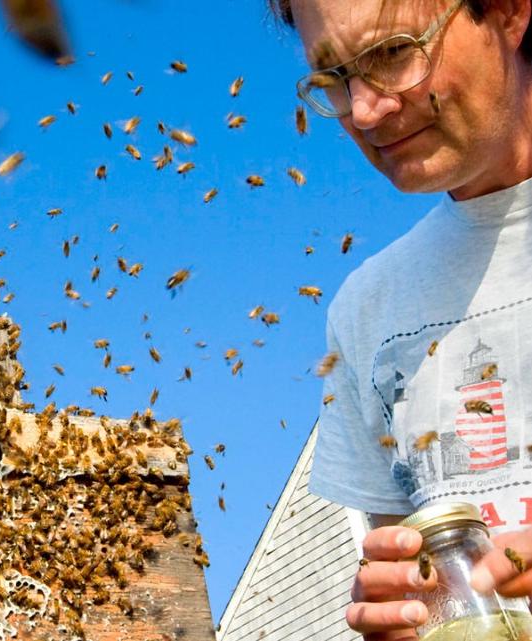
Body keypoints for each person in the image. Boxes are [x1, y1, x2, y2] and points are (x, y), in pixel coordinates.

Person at [269, 0, 532, 638]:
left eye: (391, 53)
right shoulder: (367, 308)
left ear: (508, 12)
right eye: (335, 79)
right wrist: (402, 614)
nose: (364, 109)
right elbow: (411, 569)